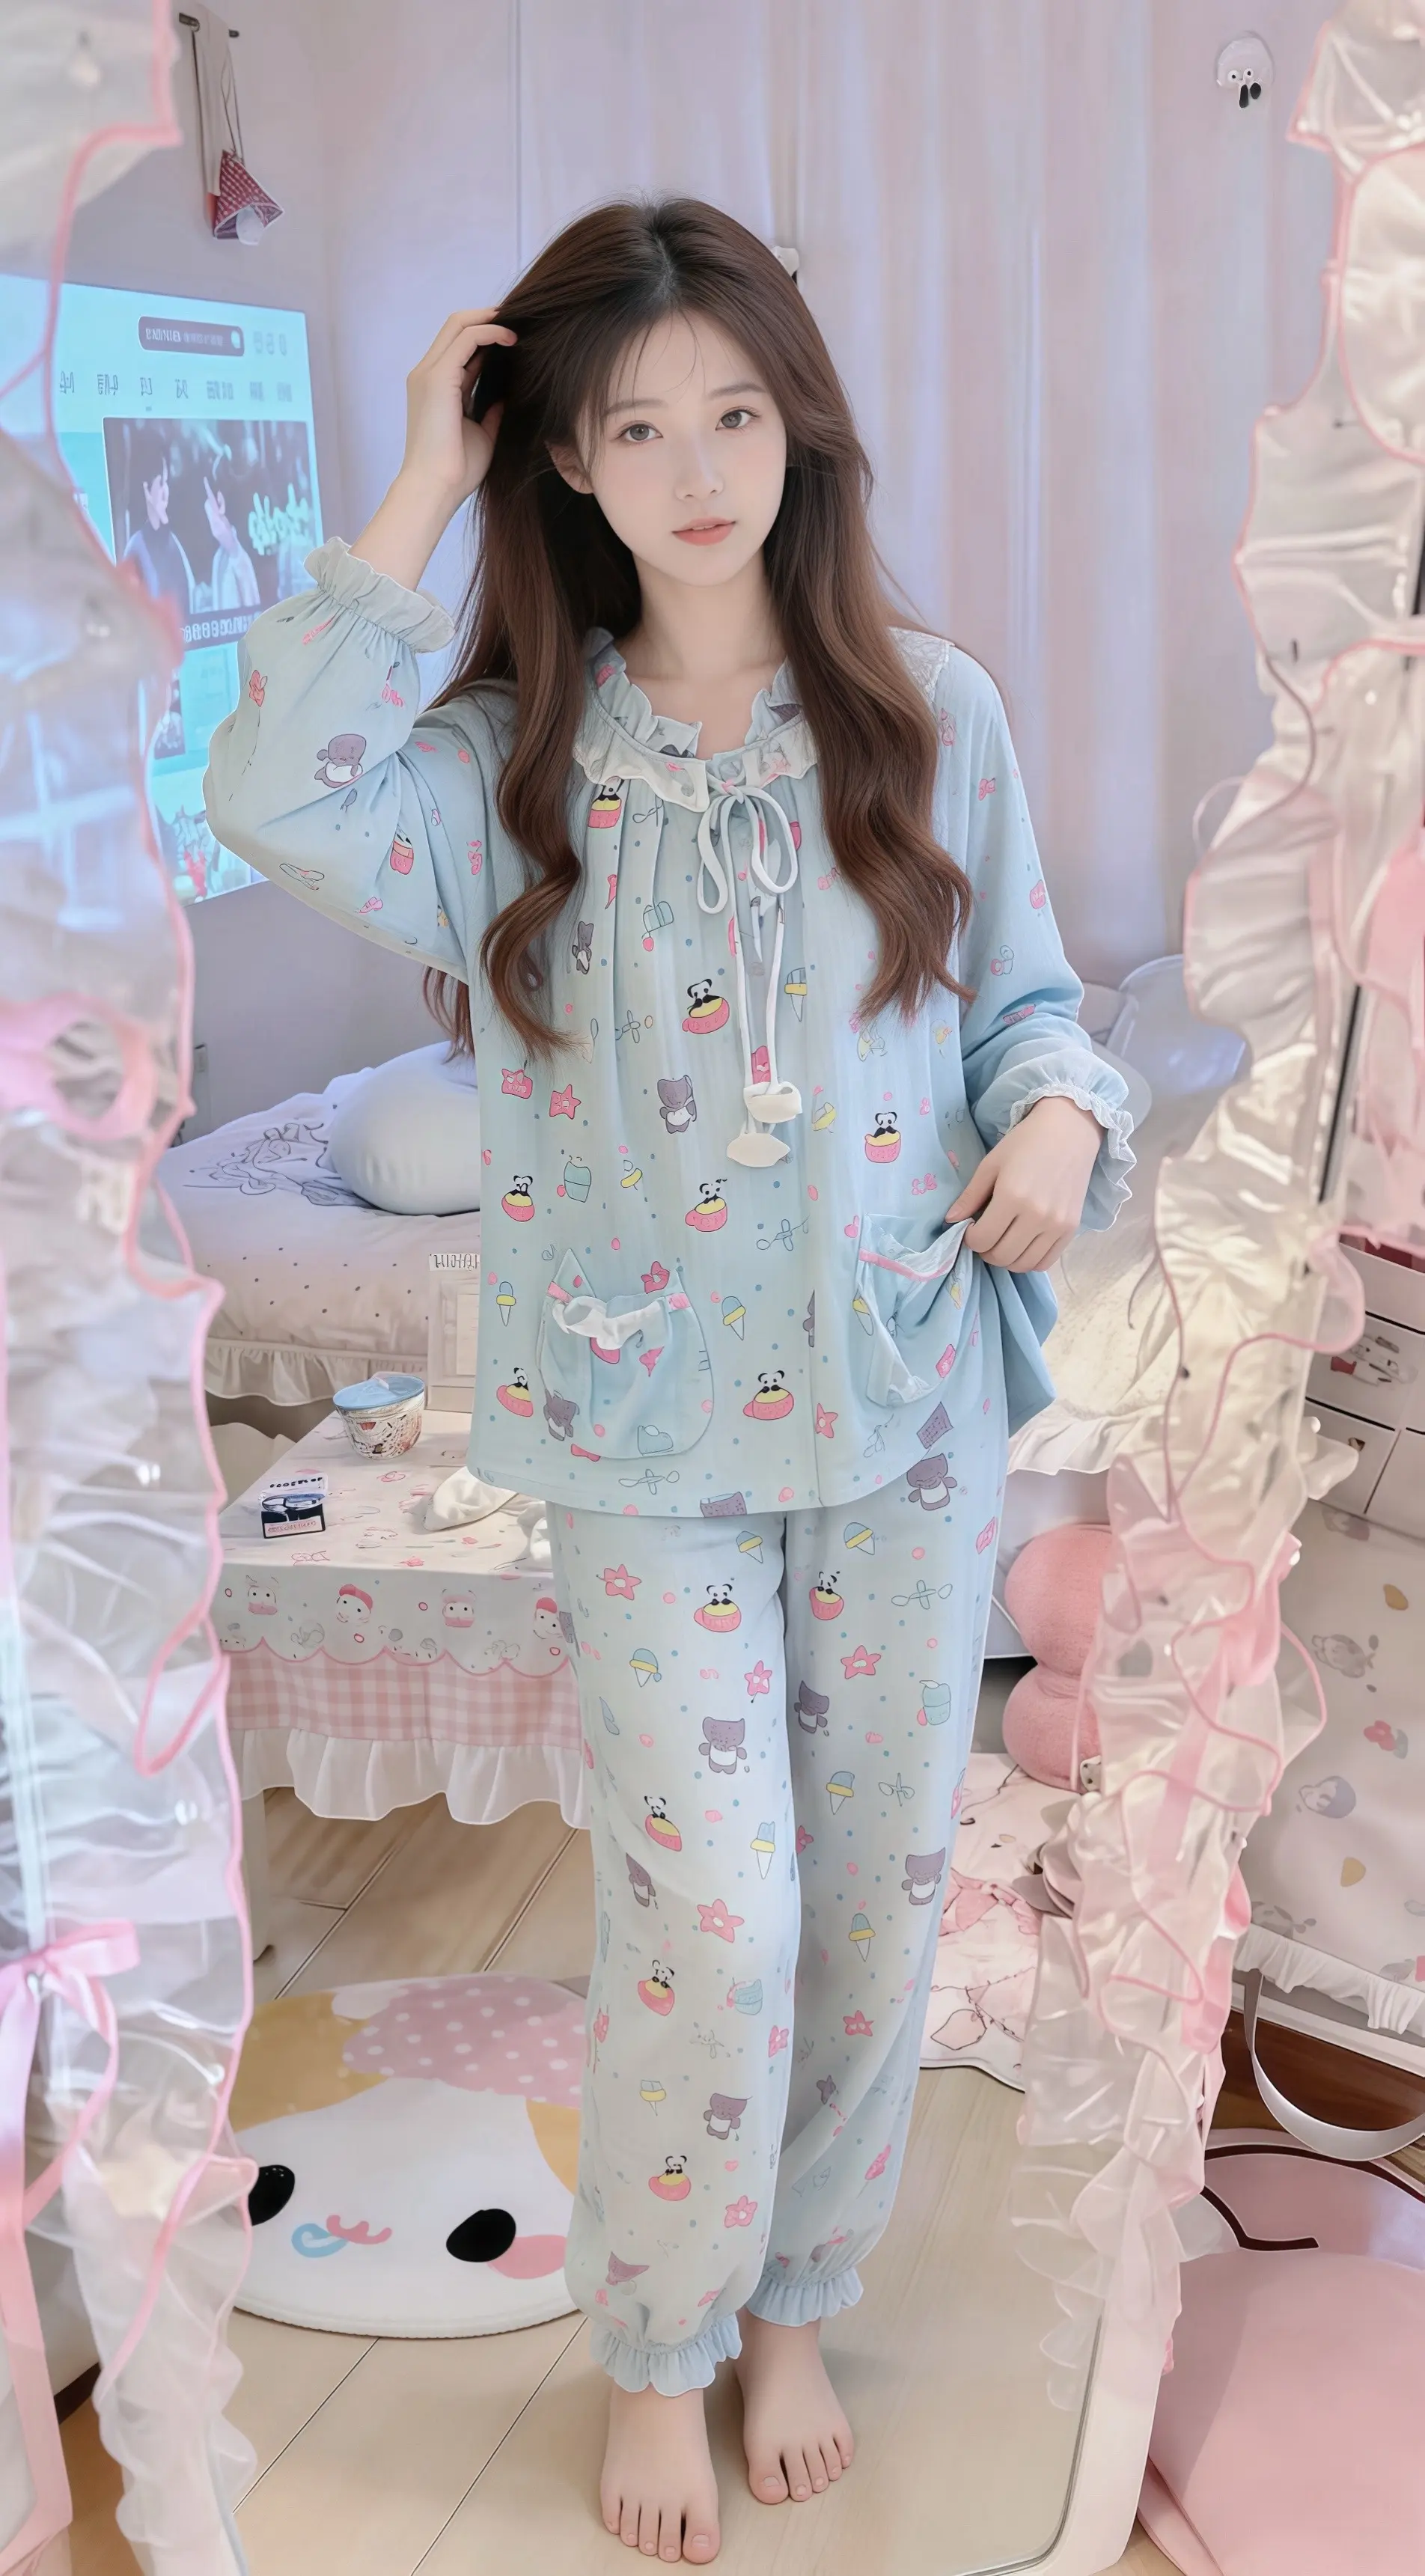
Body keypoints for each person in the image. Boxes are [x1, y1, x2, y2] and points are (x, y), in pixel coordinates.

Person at [203, 198, 1133, 2566]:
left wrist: (1055, 1119)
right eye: (635, 427)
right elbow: (267, 790)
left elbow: (1034, 1011)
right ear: (566, 460)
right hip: (639, 1447)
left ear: (797, 426)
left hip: (904, 1410)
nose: (699, 468)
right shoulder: (505, 770)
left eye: (735, 412)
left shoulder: (924, 712)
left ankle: (795, 2301)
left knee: (872, 1908)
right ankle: (657, 2334)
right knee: (711, 1916)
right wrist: (420, 476)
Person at [120, 433, 195, 620]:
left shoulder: (173, 541)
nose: (166, 491)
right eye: (161, 483)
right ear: (146, 489)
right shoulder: (135, 549)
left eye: (167, 483)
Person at [203, 455, 262, 612]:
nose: (207, 509)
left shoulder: (242, 557)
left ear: (220, 502)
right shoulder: (220, 558)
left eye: (209, 500)